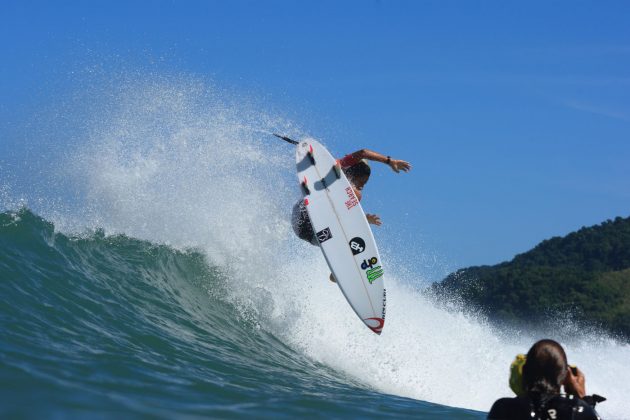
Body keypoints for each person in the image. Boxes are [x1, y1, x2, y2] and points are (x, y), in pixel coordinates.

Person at [291, 148, 412, 246]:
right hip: (307, 221)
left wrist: (363, 219)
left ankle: (339, 266)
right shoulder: (336, 171)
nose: (362, 187)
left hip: (307, 227)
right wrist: (390, 161)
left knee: (348, 236)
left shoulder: (335, 174)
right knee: (350, 231)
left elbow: (344, 217)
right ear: (356, 174)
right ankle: (341, 259)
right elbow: (363, 153)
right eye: (363, 183)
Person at [488, 339, 603, 420]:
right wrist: (583, 398)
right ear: (564, 377)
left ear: (524, 372)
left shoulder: (503, 407)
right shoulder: (577, 409)